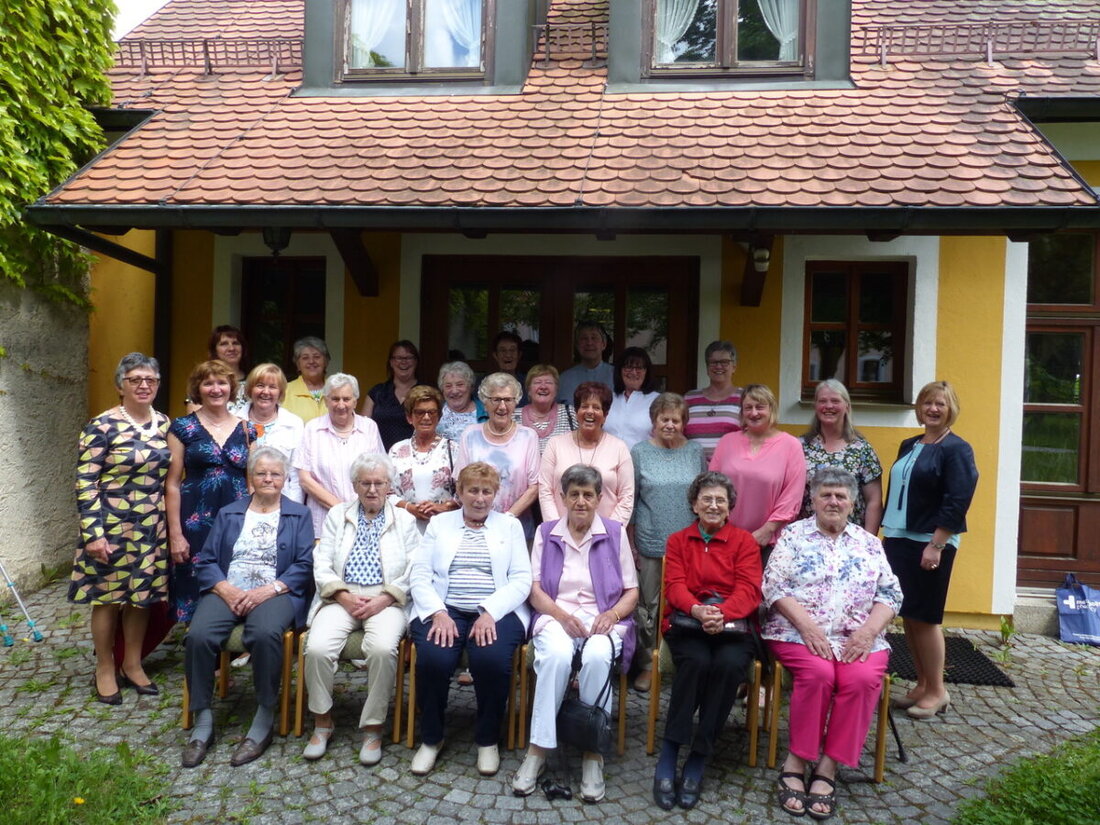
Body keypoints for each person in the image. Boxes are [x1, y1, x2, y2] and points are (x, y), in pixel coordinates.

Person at [762, 467, 902, 820]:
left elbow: (891, 593)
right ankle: (797, 759)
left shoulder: (869, 544)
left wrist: (869, 632)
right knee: (819, 674)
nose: (833, 501)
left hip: (858, 637)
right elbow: (774, 587)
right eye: (826, 495)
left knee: (859, 680)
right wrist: (808, 627)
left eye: (841, 496)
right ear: (813, 500)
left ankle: (828, 767)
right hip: (796, 632)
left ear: (853, 503)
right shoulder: (793, 536)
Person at [181, 446, 314, 768]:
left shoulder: (300, 514)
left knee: (265, 633)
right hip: (228, 590)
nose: (268, 479)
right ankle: (203, 718)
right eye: (261, 473)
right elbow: (208, 559)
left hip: (275, 593)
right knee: (198, 636)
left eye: (275, 474)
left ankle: (264, 714)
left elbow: (304, 563)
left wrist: (267, 590)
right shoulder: (230, 512)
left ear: (284, 479)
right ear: (250, 477)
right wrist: (225, 589)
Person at [513, 465, 639, 803]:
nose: (581, 501)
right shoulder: (546, 532)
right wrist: (560, 615)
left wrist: (611, 614)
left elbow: (632, 591)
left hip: (603, 619)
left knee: (598, 655)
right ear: (563, 497)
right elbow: (535, 589)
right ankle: (538, 751)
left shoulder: (614, 532)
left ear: (599, 499)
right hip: (557, 616)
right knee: (555, 655)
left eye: (588, 494)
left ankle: (592, 754)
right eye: (574, 494)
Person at [407, 463, 532, 777]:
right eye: (472, 490)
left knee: (491, 660)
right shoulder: (440, 524)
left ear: (495, 494)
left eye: (486, 491)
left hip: (496, 612)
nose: (479, 498)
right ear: (460, 493)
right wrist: (438, 612)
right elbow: (420, 574)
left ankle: (488, 738)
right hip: (444, 608)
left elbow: (521, 579)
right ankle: (432, 738)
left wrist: (490, 611)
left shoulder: (510, 526)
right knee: (434, 659)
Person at [652, 471, 762, 811]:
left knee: (729, 666)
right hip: (689, 622)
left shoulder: (744, 542)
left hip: (733, 627)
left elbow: (750, 589)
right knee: (696, 662)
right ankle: (670, 752)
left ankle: (699, 756)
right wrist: (700, 611)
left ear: (730, 507)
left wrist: (723, 614)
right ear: (694, 505)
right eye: (706, 499)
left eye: (720, 500)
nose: (713, 505)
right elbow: (674, 585)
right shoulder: (678, 540)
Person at [302, 454, 419, 766]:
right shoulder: (338, 514)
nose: (371, 489)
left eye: (378, 483)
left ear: (389, 486)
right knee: (316, 647)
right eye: (365, 483)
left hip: (386, 600)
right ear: (354, 485)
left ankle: (373, 727)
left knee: (382, 649)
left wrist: (386, 597)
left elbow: (414, 568)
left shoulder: (405, 519)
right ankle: (323, 722)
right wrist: (341, 595)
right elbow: (322, 561)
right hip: (342, 597)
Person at [70, 353, 170, 704]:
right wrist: (93, 533)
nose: (144, 385)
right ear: (120, 385)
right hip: (110, 524)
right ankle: (105, 666)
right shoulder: (102, 426)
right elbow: (85, 481)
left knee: (141, 599)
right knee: (109, 599)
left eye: (151, 380)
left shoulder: (163, 423)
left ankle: (132, 662)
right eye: (135, 379)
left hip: (150, 524)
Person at [882, 381, 978, 720]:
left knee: (926, 617)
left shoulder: (957, 449)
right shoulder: (909, 444)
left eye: (940, 404)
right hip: (898, 537)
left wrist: (936, 543)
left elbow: (958, 499)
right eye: (927, 403)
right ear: (919, 408)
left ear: (950, 409)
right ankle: (922, 683)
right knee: (909, 614)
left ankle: (938, 690)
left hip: (930, 541)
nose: (933, 409)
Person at [166, 360, 257, 624]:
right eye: (208, 383)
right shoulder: (182, 427)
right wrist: (175, 534)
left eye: (221, 382)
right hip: (195, 518)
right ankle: (200, 644)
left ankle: (228, 649)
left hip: (235, 517)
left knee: (233, 577)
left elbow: (252, 482)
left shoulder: (247, 428)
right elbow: (172, 483)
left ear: (231, 387)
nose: (215, 389)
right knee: (195, 579)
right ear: (198, 388)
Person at [628, 392, 704, 692]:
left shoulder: (695, 451)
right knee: (648, 608)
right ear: (654, 421)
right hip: (650, 539)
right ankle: (648, 664)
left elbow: (703, 496)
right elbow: (632, 500)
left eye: (675, 419)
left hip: (689, 544)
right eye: (664, 419)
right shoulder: (639, 452)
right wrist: (631, 543)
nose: (670, 425)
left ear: (684, 422)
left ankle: (683, 662)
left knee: (686, 604)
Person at [709, 384, 806, 553]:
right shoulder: (727, 442)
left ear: (771, 409)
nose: (754, 413)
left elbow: (793, 496)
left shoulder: (791, 445)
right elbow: (711, 486)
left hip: (768, 541)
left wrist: (767, 530)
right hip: (724, 537)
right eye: (748, 408)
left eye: (760, 407)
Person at [295, 373, 385, 538]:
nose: (341, 405)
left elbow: (381, 474)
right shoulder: (312, 429)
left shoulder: (369, 428)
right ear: (326, 400)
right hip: (322, 523)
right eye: (335, 399)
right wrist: (341, 509)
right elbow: (305, 479)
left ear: (355, 401)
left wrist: (358, 510)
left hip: (365, 520)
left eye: (346, 399)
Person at [456, 373, 540, 536]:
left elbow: (534, 487)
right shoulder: (470, 434)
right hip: (474, 527)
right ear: (485, 403)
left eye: (508, 400)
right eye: (496, 400)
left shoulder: (528, 436)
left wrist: (507, 518)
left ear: (516, 402)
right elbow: (460, 481)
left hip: (516, 527)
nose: (502, 407)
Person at [540, 382, 634, 525]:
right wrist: (556, 530)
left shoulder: (619, 448)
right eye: (584, 406)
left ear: (605, 415)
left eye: (596, 407)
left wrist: (610, 533)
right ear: (577, 411)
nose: (590, 411)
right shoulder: (555, 445)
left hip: (606, 536)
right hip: (561, 535)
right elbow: (545, 490)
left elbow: (626, 496)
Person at [799, 379, 883, 534]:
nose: (829, 406)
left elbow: (874, 501)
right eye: (822, 401)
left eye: (835, 401)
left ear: (847, 407)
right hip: (807, 539)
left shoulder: (861, 450)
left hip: (850, 540)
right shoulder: (800, 447)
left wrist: (868, 542)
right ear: (815, 406)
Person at [388, 385, 461, 533]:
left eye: (432, 412)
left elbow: (464, 493)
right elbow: (387, 493)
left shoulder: (453, 449)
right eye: (420, 412)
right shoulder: (396, 450)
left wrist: (441, 507)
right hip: (405, 530)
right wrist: (410, 508)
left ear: (439, 417)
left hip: (443, 529)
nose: (426, 417)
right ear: (409, 417)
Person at [242, 363, 305, 503]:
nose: (266, 391)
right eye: (260, 385)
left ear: (280, 392)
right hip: (241, 501)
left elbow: (295, 475)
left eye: (272, 387)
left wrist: (292, 510)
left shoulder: (294, 423)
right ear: (250, 389)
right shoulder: (235, 419)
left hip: (282, 500)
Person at [684, 341, 742, 463]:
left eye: (725, 362)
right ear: (707, 368)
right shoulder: (689, 398)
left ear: (734, 367)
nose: (719, 366)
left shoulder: (744, 398)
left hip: (730, 472)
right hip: (694, 471)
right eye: (713, 362)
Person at [362, 340, 422, 451]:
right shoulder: (377, 392)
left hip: (417, 459)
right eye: (398, 358)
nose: (403, 362)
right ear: (391, 362)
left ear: (416, 362)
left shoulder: (426, 393)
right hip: (380, 458)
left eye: (408, 358)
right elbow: (363, 429)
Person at [604, 346, 660, 450]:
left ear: (646, 372)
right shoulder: (607, 398)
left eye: (639, 368)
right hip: (608, 462)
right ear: (620, 371)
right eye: (628, 367)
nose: (634, 372)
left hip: (643, 463)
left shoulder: (658, 401)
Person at [516, 364, 576, 454]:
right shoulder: (513, 416)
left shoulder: (570, 413)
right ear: (528, 390)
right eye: (537, 382)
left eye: (548, 382)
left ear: (556, 390)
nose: (543, 387)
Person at [558, 320, 614, 403]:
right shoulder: (564, 379)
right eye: (584, 338)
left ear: (604, 344)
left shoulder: (617, 376)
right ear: (577, 345)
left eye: (594, 338)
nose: (589, 343)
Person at [282, 337, 331, 423]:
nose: (311, 361)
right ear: (298, 364)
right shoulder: (285, 391)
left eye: (317, 357)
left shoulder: (336, 389)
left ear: (326, 361)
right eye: (305, 358)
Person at [437, 361, 484, 441]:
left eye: (460, 385)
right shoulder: (434, 412)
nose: (454, 391)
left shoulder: (486, 412)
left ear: (471, 387)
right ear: (442, 390)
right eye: (448, 386)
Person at [207, 325, 249, 414]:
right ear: (214, 350)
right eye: (224, 344)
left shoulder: (254, 382)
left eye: (235, 343)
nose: (231, 348)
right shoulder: (205, 381)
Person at [479, 331, 528, 405]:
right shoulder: (483, 384)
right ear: (495, 355)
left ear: (519, 355)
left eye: (512, 350)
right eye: (503, 350)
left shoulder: (528, 384)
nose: (508, 355)